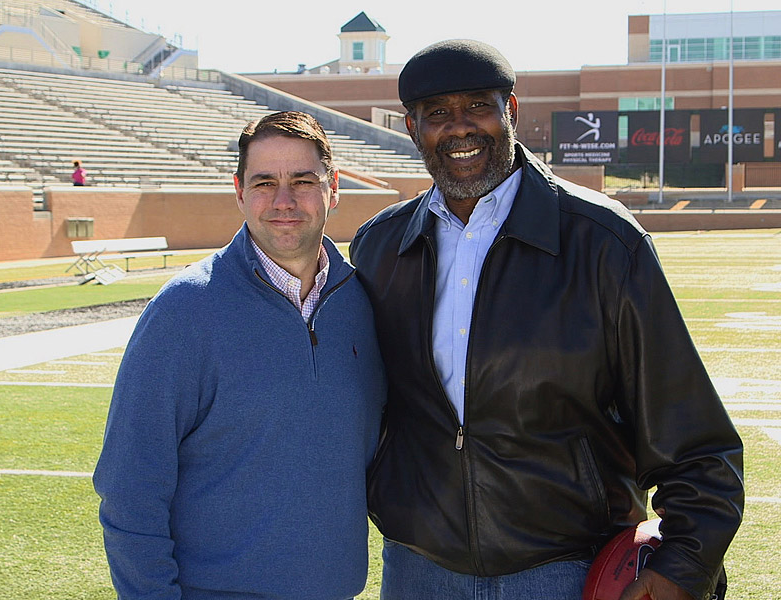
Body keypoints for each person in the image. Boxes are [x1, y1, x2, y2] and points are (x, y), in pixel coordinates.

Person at [349, 40, 744, 600]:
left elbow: (694, 436)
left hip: (564, 570)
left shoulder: (606, 242)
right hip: (418, 569)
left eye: (478, 107)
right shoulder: (378, 246)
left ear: (511, 111)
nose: (460, 129)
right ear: (413, 128)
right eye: (438, 114)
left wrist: (685, 563)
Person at [94, 111, 386, 600]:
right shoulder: (184, 310)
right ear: (239, 191)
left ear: (334, 188)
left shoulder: (360, 302)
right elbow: (130, 490)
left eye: (303, 181)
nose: (284, 200)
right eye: (264, 182)